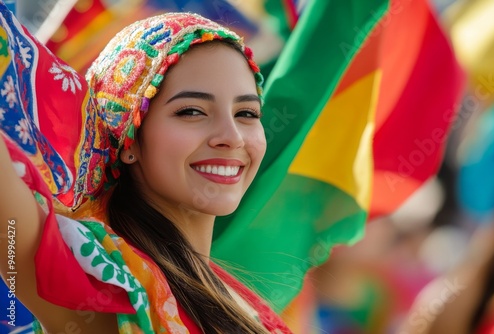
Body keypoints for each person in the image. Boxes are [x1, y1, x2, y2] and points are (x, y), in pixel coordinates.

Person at [0, 5, 291, 333]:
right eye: (192, 111)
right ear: (130, 140)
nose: (232, 137)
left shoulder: (249, 310)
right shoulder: (108, 282)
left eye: (247, 113)